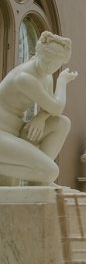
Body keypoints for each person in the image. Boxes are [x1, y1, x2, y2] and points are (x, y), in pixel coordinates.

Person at [0, 31, 77, 186]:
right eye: (47, 61)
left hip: (17, 131)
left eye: (55, 64)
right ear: (39, 53)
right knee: (51, 171)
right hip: (2, 133)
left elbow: (49, 111)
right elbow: (56, 107)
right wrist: (61, 81)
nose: (50, 67)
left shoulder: (46, 76)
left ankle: (39, 184)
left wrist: (40, 118)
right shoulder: (25, 78)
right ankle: (41, 178)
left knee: (62, 123)